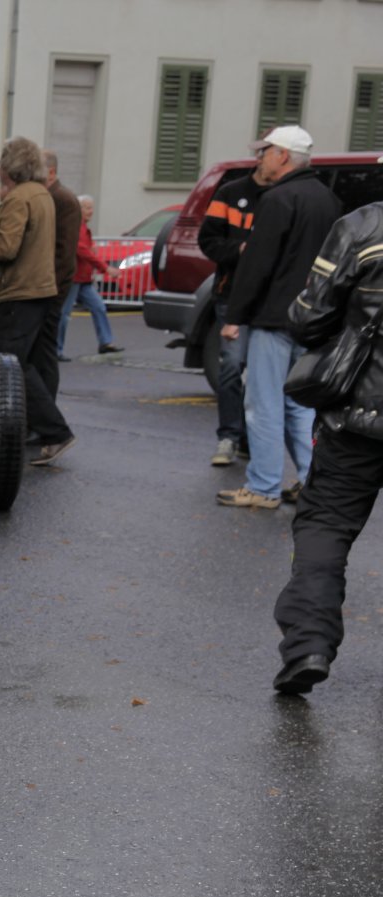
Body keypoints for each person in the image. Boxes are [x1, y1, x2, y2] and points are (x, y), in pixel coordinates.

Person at [270, 201, 383, 693]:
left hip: (357, 413)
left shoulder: (363, 226)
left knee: (326, 526)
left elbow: (308, 319)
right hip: (357, 414)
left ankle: (308, 644)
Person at [217, 125, 343, 508]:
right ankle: (311, 482)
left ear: (283, 155)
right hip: (312, 318)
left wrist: (235, 316)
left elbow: (257, 264)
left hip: (274, 318)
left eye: (266, 151)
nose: (260, 159)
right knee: (299, 406)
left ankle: (263, 486)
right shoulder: (328, 199)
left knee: (263, 405)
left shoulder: (278, 199)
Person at [0, 136, 75, 465]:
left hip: (17, 291)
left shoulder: (17, 198)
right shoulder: (40, 194)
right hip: (39, 289)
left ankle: (54, 431)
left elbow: (7, 246)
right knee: (32, 364)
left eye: (2, 162)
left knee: (13, 367)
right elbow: (22, 234)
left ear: (11, 166)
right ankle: (45, 431)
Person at [199, 162, 270, 466]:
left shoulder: (285, 194)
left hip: (269, 300)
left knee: (261, 373)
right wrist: (239, 250)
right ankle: (229, 435)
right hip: (231, 295)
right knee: (231, 366)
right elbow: (207, 240)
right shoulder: (231, 193)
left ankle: (249, 440)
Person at [56, 195, 119, 357]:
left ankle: (105, 342)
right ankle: (56, 349)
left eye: (91, 208)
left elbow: (83, 249)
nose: (91, 211)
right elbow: (81, 250)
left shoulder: (80, 226)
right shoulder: (77, 226)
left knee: (98, 307)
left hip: (82, 277)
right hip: (74, 276)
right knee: (64, 314)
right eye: (87, 208)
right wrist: (105, 267)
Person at [42, 150, 86, 364]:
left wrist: (49, 285)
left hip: (52, 285)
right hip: (50, 283)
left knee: (45, 346)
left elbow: (64, 250)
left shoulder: (62, 199)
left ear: (51, 172)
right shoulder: (52, 196)